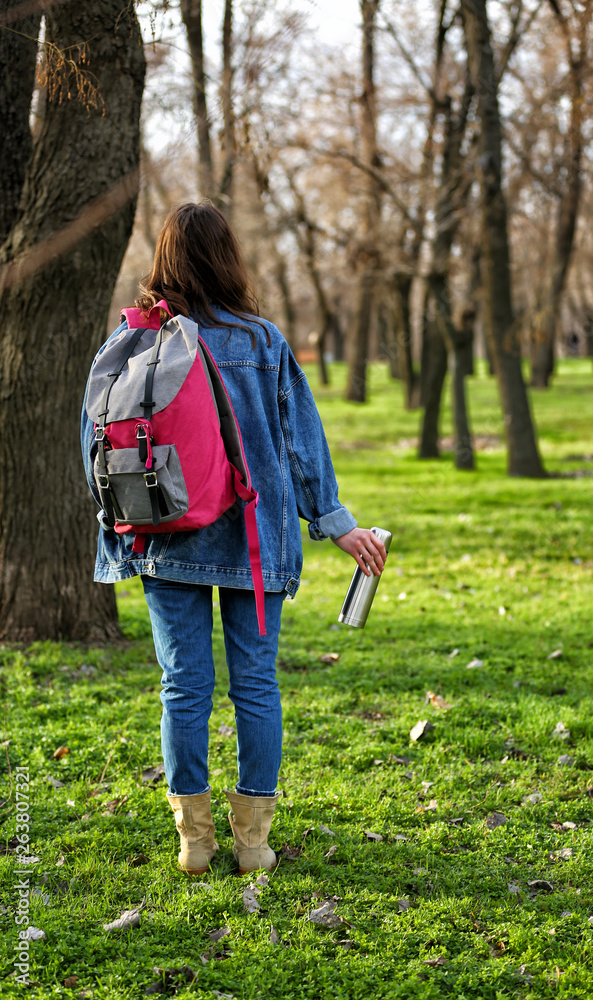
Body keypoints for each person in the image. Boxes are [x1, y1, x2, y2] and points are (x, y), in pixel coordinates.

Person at [81, 202, 386, 876]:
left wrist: (119, 534)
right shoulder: (260, 342)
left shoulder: (131, 341)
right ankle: (253, 844)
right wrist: (334, 523)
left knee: (182, 688)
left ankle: (193, 842)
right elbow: (302, 445)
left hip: (165, 537)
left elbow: (98, 448)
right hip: (253, 542)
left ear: (163, 258)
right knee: (255, 686)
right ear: (229, 257)